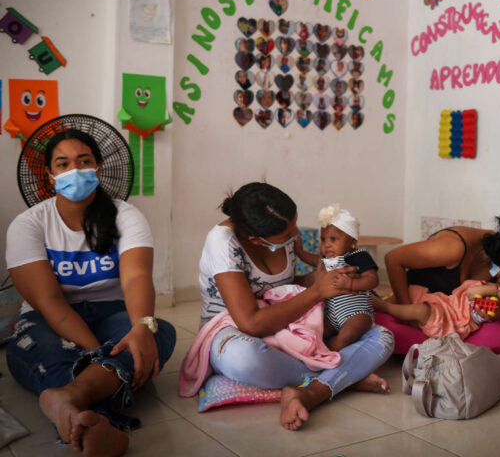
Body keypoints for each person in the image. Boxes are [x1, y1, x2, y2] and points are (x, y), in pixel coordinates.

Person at [4, 128, 176, 456]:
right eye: (63, 163)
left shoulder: (126, 215)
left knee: (158, 333)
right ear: (50, 175)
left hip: (113, 310)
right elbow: (49, 302)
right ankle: (98, 421)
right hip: (49, 320)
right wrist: (101, 354)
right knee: (44, 352)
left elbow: (137, 277)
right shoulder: (29, 224)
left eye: (84, 161)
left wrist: (141, 325)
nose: (75, 170)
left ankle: (68, 403)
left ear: (98, 168)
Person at [190, 183, 393, 430]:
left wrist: (320, 280)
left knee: (381, 336)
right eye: (288, 234)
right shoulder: (222, 243)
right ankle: (338, 379)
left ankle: (307, 388)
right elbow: (250, 322)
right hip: (236, 329)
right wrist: (317, 290)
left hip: (290, 322)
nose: (295, 234)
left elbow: (284, 287)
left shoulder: (282, 232)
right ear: (256, 239)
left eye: (295, 225)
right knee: (243, 359)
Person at [385, 215, 500, 306]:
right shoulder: (454, 248)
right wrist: (408, 312)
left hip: (443, 318)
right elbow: (393, 259)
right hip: (413, 305)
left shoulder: (498, 268)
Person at [375, 280, 500, 340]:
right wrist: (496, 290)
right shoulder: (496, 287)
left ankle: (383, 307)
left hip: (450, 321)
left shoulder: (499, 310)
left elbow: (472, 293)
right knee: (411, 291)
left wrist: (497, 293)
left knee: (421, 311)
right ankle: (376, 307)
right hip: (446, 303)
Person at [316, 205, 379, 351]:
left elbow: (372, 280)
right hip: (331, 315)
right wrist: (300, 251)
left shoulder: (358, 256)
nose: (327, 245)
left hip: (356, 313)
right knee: (317, 330)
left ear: (352, 243)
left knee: (347, 335)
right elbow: (313, 259)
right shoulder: (326, 259)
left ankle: (331, 353)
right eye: (323, 240)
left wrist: (350, 283)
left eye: (333, 239)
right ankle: (316, 349)